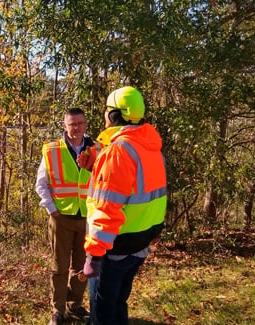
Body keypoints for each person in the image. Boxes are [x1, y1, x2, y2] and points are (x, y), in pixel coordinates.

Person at [80, 86, 167, 325]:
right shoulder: (150, 148)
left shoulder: (118, 152)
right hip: (140, 243)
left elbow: (107, 207)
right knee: (119, 302)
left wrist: (93, 254)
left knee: (103, 312)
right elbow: (139, 191)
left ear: (114, 115)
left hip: (114, 247)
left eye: (107, 110)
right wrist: (96, 169)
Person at [35, 107, 99, 325]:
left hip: (88, 218)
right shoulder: (52, 150)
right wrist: (52, 209)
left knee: (83, 266)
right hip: (60, 217)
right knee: (59, 267)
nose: (76, 128)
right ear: (64, 126)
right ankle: (57, 309)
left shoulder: (98, 149)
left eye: (80, 123)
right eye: (72, 124)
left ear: (86, 124)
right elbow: (41, 184)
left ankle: (75, 305)